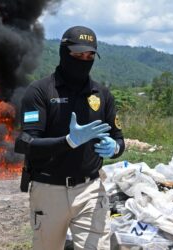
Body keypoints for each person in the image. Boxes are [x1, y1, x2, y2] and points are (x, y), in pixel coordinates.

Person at [15, 25, 125, 250]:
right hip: (48, 191)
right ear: (64, 52)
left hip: (91, 191)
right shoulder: (40, 92)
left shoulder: (101, 95)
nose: (84, 59)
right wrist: (68, 142)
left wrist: (114, 148)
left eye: (90, 55)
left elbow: (119, 138)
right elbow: (27, 143)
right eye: (77, 54)